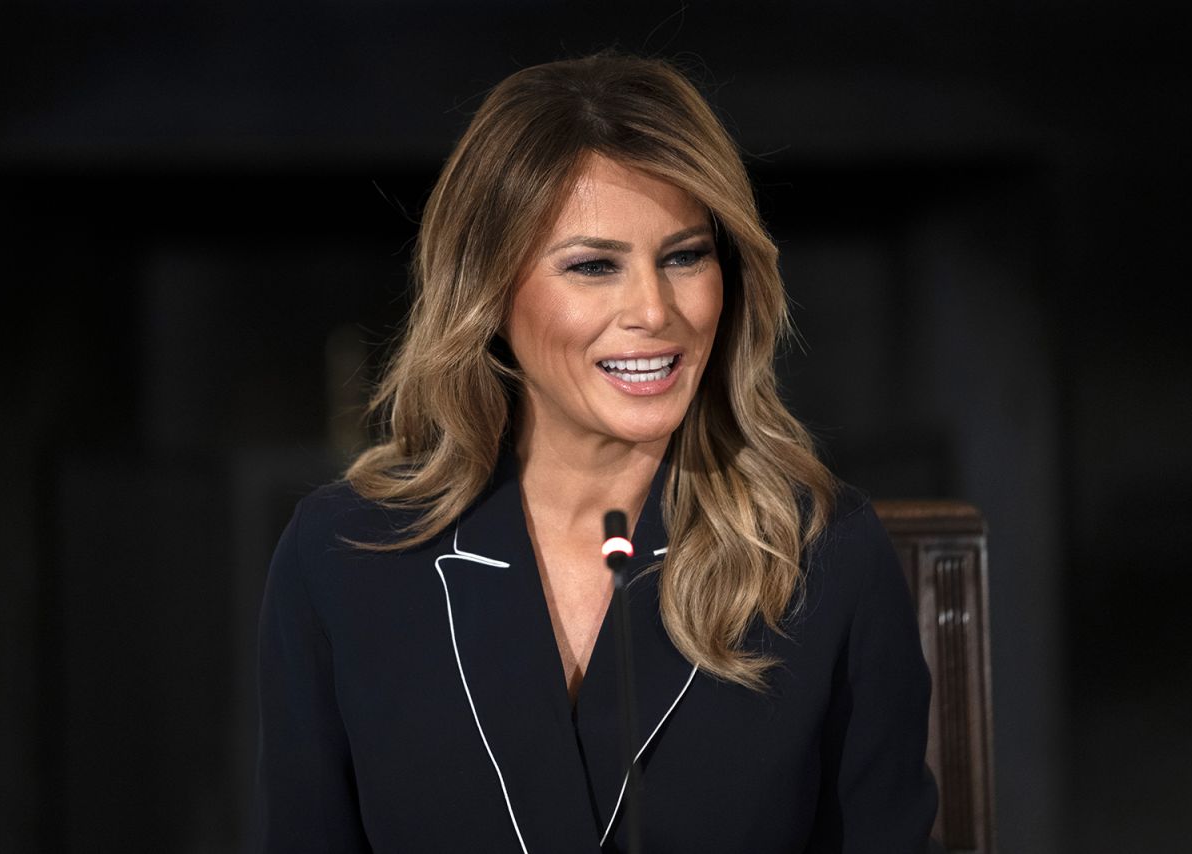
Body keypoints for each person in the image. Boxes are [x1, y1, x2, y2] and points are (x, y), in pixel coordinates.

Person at [257, 53, 938, 853]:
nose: (654, 310)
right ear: (487, 292)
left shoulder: (823, 556)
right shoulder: (343, 558)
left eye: (685, 256)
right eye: (593, 266)